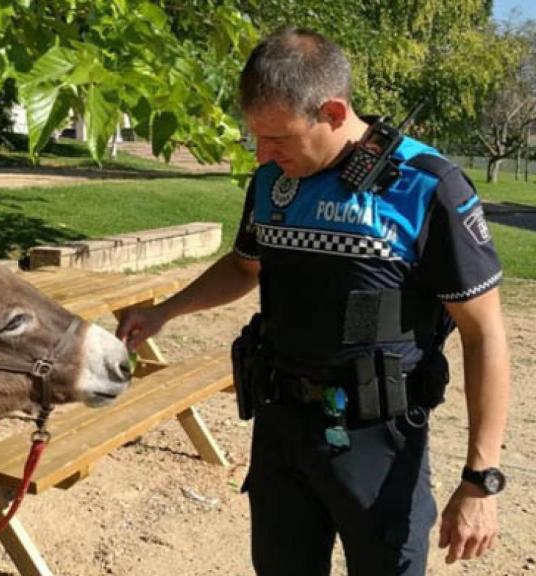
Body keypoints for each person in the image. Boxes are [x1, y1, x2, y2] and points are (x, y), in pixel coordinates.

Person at [116, 27, 510, 576]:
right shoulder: (274, 181)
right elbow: (244, 265)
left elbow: (484, 332)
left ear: (331, 111)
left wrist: (481, 479)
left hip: (377, 436)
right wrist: (165, 312)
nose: (262, 153)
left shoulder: (425, 188)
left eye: (276, 137)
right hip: (280, 426)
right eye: (256, 137)